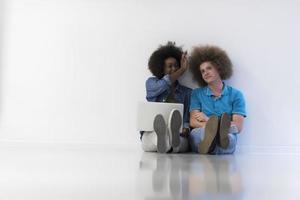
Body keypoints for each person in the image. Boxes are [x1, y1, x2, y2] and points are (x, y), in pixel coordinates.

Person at [188, 45, 246, 154]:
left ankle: (211, 146)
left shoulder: (236, 95)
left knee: (230, 137)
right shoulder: (196, 94)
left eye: (209, 68)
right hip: (203, 131)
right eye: (202, 71)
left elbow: (238, 127)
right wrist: (211, 127)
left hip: (226, 133)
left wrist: (207, 120)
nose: (205, 72)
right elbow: (193, 121)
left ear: (219, 68)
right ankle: (213, 142)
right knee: (197, 133)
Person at [140, 41, 192, 153]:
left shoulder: (187, 92)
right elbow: (164, 83)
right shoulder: (151, 83)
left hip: (179, 134)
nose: (174, 68)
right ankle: (164, 138)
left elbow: (187, 117)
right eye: (170, 66)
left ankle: (171, 139)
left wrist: (186, 128)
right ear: (161, 68)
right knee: (155, 138)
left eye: (176, 66)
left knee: (183, 143)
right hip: (152, 132)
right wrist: (182, 70)